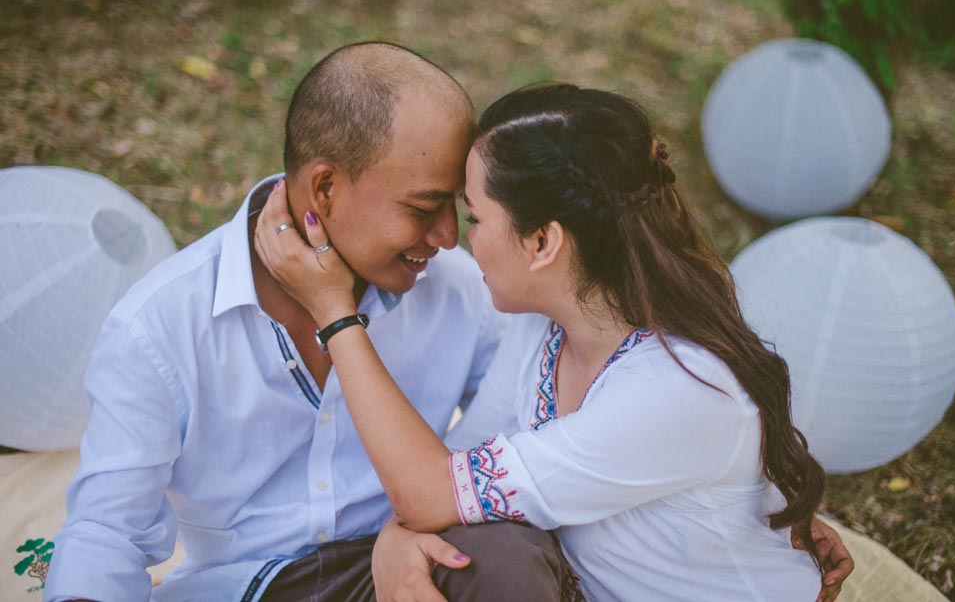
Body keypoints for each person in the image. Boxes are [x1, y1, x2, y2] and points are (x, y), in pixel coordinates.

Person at [257, 83, 854, 602]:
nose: (455, 241)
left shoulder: (672, 388)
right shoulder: (544, 327)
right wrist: (399, 531)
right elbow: (452, 474)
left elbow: (431, 491)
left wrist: (335, 314)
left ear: (542, 241)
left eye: (475, 220)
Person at [44, 43, 580, 602]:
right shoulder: (160, 325)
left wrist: (407, 528)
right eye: (423, 209)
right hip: (248, 586)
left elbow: (522, 425)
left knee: (509, 562)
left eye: (458, 206)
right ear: (325, 188)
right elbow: (107, 534)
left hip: (404, 565)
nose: (448, 235)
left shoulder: (458, 288)